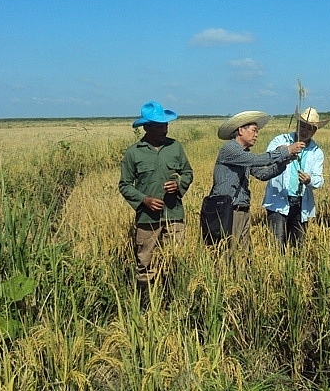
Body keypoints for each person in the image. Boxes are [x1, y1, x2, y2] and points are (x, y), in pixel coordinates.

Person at [119, 101, 194, 308]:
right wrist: (144, 199)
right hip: (147, 219)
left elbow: (188, 172)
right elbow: (125, 185)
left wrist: (178, 184)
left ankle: (174, 302)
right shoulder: (133, 153)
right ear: (146, 128)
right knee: (145, 263)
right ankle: (146, 306)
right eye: (159, 125)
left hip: (174, 215)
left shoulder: (175, 147)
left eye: (166, 124)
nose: (165, 128)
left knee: (174, 260)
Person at [208, 110, 305, 255]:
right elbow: (257, 160)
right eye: (254, 130)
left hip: (241, 209)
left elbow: (262, 174)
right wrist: (286, 151)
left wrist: (284, 163)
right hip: (228, 210)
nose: (256, 135)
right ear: (241, 130)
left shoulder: (243, 154)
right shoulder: (230, 149)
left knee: (242, 253)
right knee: (228, 252)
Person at [262, 107, 330, 250]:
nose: (304, 130)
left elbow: (320, 180)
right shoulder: (281, 140)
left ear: (314, 131)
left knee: (298, 246)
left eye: (309, 128)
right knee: (276, 245)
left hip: (301, 203)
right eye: (302, 126)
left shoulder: (316, 151)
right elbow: (267, 160)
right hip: (278, 200)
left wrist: (309, 180)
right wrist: (285, 151)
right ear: (297, 125)